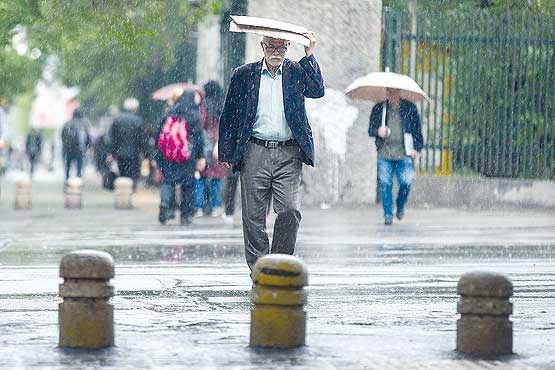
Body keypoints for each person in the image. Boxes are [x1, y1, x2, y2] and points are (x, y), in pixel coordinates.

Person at [218, 32, 324, 270]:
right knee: (253, 218)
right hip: (254, 149)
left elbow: (318, 90)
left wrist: (310, 54)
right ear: (262, 46)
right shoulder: (244, 74)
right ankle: (260, 272)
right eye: (271, 47)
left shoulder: (296, 72)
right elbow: (230, 113)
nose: (276, 52)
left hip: (289, 153)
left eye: (281, 48)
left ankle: (278, 264)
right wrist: (225, 151)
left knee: (289, 210)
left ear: (288, 47)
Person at [368, 88, 423, 225]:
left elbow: (417, 129)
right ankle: (388, 215)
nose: (392, 94)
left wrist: (417, 148)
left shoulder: (409, 108)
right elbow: (370, 129)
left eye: (395, 91)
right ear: (386, 92)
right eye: (390, 91)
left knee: (406, 182)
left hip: (404, 153)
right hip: (384, 154)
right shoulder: (379, 108)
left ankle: (400, 205)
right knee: (385, 184)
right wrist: (378, 131)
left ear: (399, 92)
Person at [155, 89, 206, 225]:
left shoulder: (169, 112)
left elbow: (158, 131)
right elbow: (199, 139)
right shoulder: (194, 115)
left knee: (168, 181)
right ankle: (185, 215)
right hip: (188, 155)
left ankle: (164, 205)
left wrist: (158, 153)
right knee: (187, 184)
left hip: (169, 154)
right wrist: (201, 157)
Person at [194, 80, 227, 217]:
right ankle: (216, 206)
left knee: (201, 176)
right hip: (221, 143)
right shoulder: (224, 104)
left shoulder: (204, 105)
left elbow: (201, 124)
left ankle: (199, 206)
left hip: (206, 143)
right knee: (217, 178)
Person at [108, 98, 145, 189]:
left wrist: (111, 152)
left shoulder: (117, 120)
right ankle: (131, 194)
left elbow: (112, 138)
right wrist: (146, 154)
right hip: (134, 154)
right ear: (135, 108)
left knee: (122, 176)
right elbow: (142, 139)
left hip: (120, 154)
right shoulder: (139, 120)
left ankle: (123, 196)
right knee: (133, 177)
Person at [61, 109, 91, 179]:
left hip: (68, 149)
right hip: (79, 149)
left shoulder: (67, 123)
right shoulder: (83, 124)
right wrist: (87, 146)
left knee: (68, 165)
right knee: (79, 165)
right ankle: (78, 178)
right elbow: (87, 137)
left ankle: (67, 177)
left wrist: (66, 145)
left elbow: (62, 136)